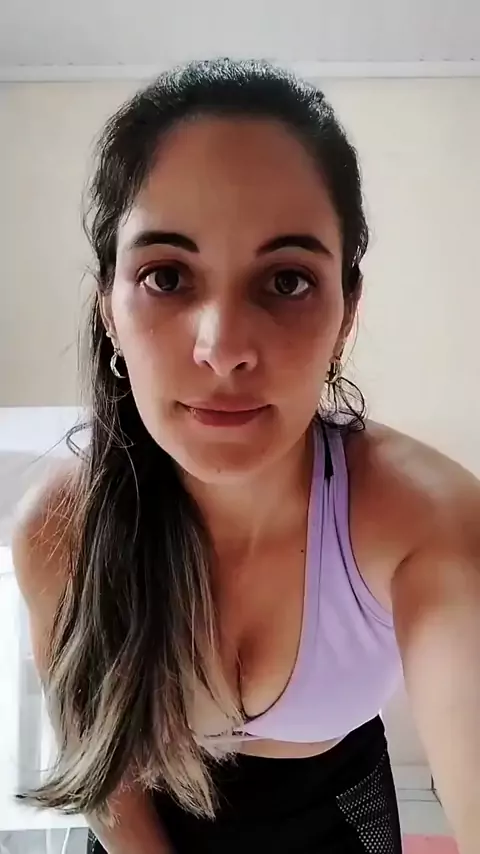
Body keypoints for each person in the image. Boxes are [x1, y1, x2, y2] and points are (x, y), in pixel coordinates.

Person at [12, 59, 480, 854]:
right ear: (109, 311)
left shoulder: (425, 522)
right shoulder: (59, 527)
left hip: (339, 811)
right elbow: (104, 768)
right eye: (166, 276)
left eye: (287, 281)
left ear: (346, 315)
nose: (223, 347)